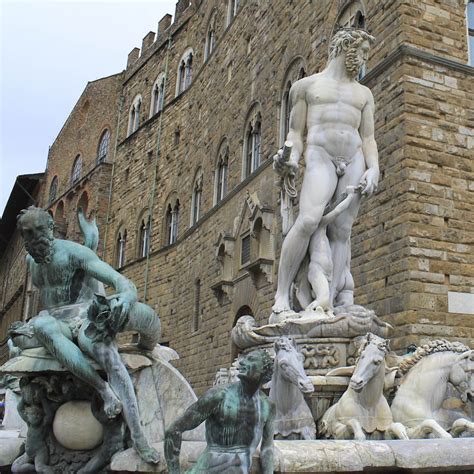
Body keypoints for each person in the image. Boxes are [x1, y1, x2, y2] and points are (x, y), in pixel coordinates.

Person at [16, 206, 160, 464]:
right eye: (28, 233)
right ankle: (103, 390)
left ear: (50, 228)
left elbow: (121, 282)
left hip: (85, 316)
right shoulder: (31, 262)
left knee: (97, 347)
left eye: (38, 230)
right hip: (55, 319)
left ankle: (138, 436)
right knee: (39, 326)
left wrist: (125, 297)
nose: (34, 237)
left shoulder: (74, 253)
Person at [272, 28, 378, 321]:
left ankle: (329, 301)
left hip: (354, 157)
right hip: (320, 156)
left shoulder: (364, 94)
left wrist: (374, 168)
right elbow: (295, 133)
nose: (366, 60)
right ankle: (282, 295)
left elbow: (368, 138)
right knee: (307, 221)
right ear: (347, 48)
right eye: (364, 53)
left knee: (342, 230)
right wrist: (289, 157)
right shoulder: (306, 87)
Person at [164, 350, 275, 474]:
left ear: (264, 370)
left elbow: (267, 448)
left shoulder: (268, 406)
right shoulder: (218, 396)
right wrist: (174, 471)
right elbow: (173, 430)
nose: (242, 362)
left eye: (251, 359)